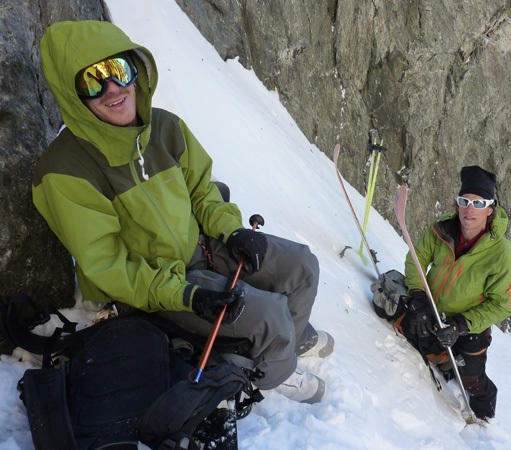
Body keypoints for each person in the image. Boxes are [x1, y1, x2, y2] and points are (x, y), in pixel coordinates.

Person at [33, 20, 333, 404]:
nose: (112, 89)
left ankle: (289, 335)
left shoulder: (165, 128)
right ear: (72, 95)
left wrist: (231, 231)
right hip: (156, 286)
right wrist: (186, 294)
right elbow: (109, 266)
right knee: (269, 314)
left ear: (135, 70)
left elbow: (203, 191)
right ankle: (274, 371)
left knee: (300, 266)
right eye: (93, 81)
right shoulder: (65, 171)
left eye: (118, 70)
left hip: (202, 248)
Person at [377, 166, 511, 421]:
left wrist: (460, 325)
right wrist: (419, 296)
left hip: (468, 326)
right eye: (464, 201)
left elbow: (502, 305)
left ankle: (485, 415)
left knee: (471, 378)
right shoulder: (442, 229)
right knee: (399, 322)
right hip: (430, 306)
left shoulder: (504, 255)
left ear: (491, 209)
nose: (469, 209)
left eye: (479, 203)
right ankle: (441, 357)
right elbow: (417, 257)